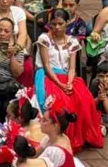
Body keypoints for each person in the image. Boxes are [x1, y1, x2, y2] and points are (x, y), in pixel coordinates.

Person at [35, 9, 102, 151]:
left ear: (67, 23)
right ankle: (63, 139)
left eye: (60, 24)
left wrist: (69, 83)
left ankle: (82, 136)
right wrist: (60, 84)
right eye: (54, 24)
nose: (57, 27)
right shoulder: (44, 39)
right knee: (62, 101)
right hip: (48, 76)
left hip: (67, 76)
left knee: (85, 100)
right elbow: (46, 65)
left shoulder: (72, 41)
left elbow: (72, 67)